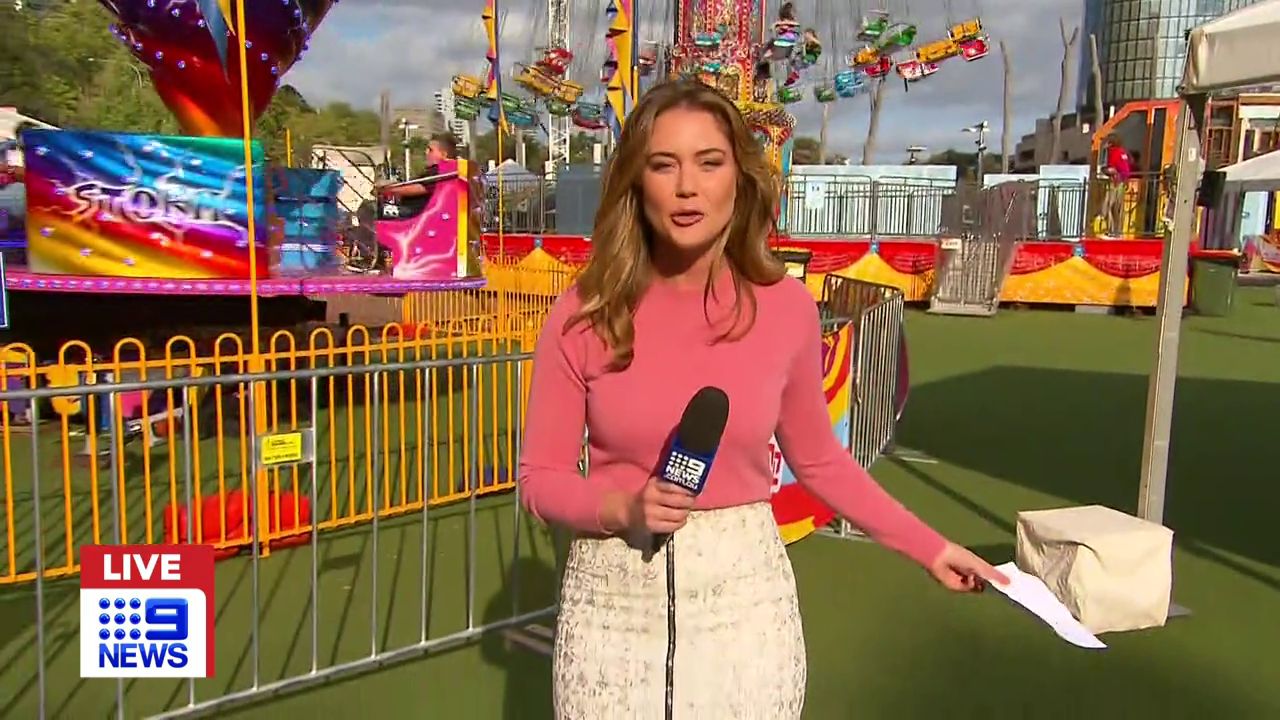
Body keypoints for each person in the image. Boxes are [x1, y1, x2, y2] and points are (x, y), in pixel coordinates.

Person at [518, 79, 1007, 719]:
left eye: (709, 162)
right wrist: (621, 507)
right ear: (636, 183)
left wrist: (931, 548)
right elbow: (541, 479)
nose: (687, 187)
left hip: (745, 611)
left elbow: (821, 461)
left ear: (741, 179)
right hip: (612, 609)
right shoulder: (583, 313)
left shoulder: (785, 309)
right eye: (663, 165)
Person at [378, 133, 458, 218]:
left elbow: (416, 188)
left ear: (443, 155)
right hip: (416, 212)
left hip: (417, 214)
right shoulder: (444, 171)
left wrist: (385, 189)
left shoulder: (441, 172)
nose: (426, 152)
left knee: (375, 210)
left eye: (430, 150)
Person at [1099, 135, 1132, 238]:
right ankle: (1119, 232)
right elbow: (1126, 168)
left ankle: (1111, 231)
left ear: (1111, 143)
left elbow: (1112, 169)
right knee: (1118, 208)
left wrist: (1103, 170)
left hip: (1115, 182)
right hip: (1122, 182)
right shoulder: (1123, 152)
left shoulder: (1114, 152)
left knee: (1107, 206)